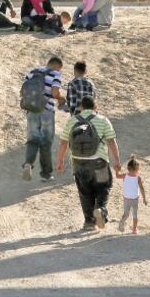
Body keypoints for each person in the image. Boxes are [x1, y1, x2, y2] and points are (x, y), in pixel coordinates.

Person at [57, 95, 121, 232]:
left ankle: (89, 223)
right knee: (103, 187)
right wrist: (116, 161)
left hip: (79, 163)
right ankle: (100, 209)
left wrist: (60, 161)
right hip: (99, 162)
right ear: (95, 107)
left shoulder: (72, 121)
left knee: (85, 192)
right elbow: (111, 141)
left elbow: (63, 142)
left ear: (80, 107)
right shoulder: (103, 120)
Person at [20, 56, 65, 182]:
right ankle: (46, 174)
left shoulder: (33, 72)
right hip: (46, 112)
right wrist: (61, 99)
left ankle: (28, 164)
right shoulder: (55, 74)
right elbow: (55, 92)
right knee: (46, 143)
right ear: (57, 66)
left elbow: (23, 89)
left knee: (33, 140)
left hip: (32, 110)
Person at [115, 155, 147, 234]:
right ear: (137, 169)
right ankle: (134, 229)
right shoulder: (138, 178)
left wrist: (117, 170)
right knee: (135, 215)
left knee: (126, 214)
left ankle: (121, 223)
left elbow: (117, 176)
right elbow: (142, 189)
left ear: (128, 168)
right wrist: (144, 199)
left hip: (126, 198)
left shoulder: (125, 175)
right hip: (135, 199)